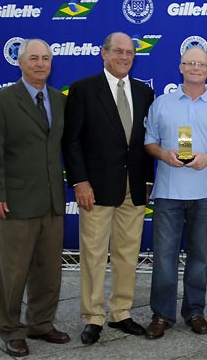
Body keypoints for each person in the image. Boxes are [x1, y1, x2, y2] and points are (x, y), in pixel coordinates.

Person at [63, 32, 155, 345]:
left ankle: (121, 312)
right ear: (104, 53)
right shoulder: (83, 89)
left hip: (134, 187)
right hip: (96, 188)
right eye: (118, 51)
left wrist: (147, 182)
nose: (124, 57)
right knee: (93, 254)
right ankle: (92, 316)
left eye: (130, 53)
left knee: (127, 253)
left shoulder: (144, 92)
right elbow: (71, 140)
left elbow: (146, 143)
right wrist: (80, 181)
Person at [0, 38, 70, 356]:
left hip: (51, 200)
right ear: (20, 62)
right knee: (13, 271)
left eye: (46, 58)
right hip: (15, 201)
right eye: (34, 58)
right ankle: (10, 329)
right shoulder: (1, 100)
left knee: (49, 269)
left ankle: (41, 323)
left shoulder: (59, 100)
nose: (41, 63)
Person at [143, 46, 207, 338]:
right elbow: (149, 142)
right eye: (190, 63)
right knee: (164, 257)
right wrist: (163, 155)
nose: (196, 68)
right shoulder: (162, 103)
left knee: (198, 257)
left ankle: (195, 311)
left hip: (206, 193)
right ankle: (161, 314)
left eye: (202, 64)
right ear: (181, 67)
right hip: (169, 191)